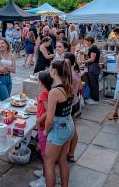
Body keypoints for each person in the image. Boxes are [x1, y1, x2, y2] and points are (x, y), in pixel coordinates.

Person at [44, 59, 75, 187]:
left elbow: (50, 119)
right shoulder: (69, 86)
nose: (48, 71)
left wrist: (46, 131)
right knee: (62, 160)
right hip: (69, 125)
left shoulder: (54, 92)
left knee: (49, 163)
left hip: (58, 129)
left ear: (54, 71)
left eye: (50, 68)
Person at [30, 71, 53, 187]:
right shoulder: (47, 92)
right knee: (43, 152)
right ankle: (44, 173)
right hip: (43, 125)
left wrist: (38, 120)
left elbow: (49, 111)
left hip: (43, 126)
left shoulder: (44, 93)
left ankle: (44, 180)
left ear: (41, 81)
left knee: (44, 154)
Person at [65, 54, 81, 163]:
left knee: (68, 130)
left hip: (69, 104)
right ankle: (71, 154)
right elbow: (80, 88)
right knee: (73, 129)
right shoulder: (76, 72)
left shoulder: (68, 75)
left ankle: (63, 154)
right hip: (75, 102)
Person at [80, 36, 101, 103]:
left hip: (93, 67)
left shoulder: (93, 48)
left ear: (89, 41)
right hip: (93, 67)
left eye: (86, 41)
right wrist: (85, 54)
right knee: (93, 83)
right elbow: (91, 56)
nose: (85, 42)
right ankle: (94, 98)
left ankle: (95, 99)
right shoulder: (92, 48)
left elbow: (92, 59)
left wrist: (83, 62)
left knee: (94, 84)